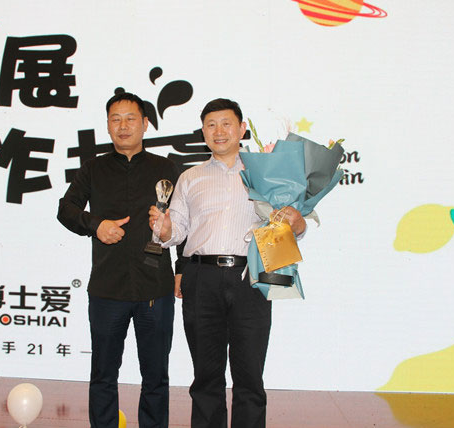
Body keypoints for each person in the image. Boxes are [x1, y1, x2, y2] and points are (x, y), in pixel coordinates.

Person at [149, 98, 306, 428]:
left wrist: (297, 222)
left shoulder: (265, 174)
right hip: (200, 278)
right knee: (206, 375)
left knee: (249, 375)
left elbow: (291, 225)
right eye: (211, 125)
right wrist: (163, 230)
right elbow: (177, 231)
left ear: (242, 129)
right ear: (203, 132)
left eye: (226, 124)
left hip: (250, 277)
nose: (218, 131)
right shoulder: (190, 177)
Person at [58, 92, 180, 428]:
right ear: (108, 126)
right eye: (116, 119)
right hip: (107, 288)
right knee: (103, 375)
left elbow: (184, 222)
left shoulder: (166, 169)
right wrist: (96, 225)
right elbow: (66, 209)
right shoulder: (93, 168)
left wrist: (182, 269)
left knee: (156, 376)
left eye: (130, 119)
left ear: (145, 123)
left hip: (155, 288)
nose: (123, 126)